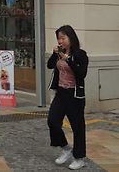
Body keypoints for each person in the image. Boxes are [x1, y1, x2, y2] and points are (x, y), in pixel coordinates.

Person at [47, 25, 88, 170]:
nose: (60, 41)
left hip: (74, 95)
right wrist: (54, 54)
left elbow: (81, 73)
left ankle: (79, 158)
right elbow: (50, 65)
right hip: (61, 93)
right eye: (58, 38)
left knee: (77, 127)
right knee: (52, 121)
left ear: (71, 38)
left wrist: (68, 59)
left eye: (63, 38)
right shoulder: (59, 53)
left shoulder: (80, 54)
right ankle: (65, 148)